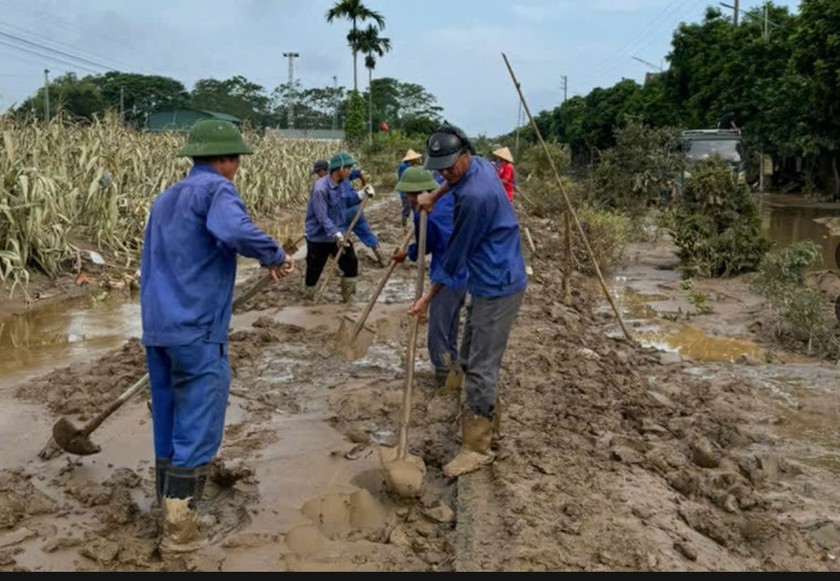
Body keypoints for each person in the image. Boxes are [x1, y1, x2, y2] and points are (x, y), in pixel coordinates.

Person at [140, 119, 294, 554]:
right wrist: (274, 254)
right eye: (236, 160)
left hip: (158, 328)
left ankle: (165, 506)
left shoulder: (166, 198)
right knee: (199, 421)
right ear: (226, 160)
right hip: (197, 328)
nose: (237, 168)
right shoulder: (216, 191)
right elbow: (234, 231)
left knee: (168, 418)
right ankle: (181, 529)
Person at [411, 124, 528, 478]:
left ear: (465, 155)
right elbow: (456, 180)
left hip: (498, 282)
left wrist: (426, 298)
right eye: (439, 167)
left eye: (449, 166)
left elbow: (454, 257)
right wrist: (437, 194)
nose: (444, 173)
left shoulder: (476, 198)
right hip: (487, 274)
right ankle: (487, 416)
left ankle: (478, 446)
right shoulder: (477, 164)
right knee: (469, 347)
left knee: (481, 365)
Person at [392, 166, 467, 389]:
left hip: (447, 276)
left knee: (438, 331)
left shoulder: (425, 214)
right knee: (450, 326)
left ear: (416, 193)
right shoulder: (451, 199)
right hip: (466, 273)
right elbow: (429, 242)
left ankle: (444, 378)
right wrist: (409, 253)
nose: (406, 198)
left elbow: (432, 244)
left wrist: (411, 253)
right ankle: (454, 368)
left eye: (408, 194)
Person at [304, 151, 370, 303]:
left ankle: (349, 296)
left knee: (351, 262)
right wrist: (336, 234)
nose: (350, 171)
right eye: (347, 168)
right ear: (338, 169)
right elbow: (322, 217)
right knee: (314, 269)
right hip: (319, 236)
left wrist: (362, 194)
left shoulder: (342, 183)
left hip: (339, 231)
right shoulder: (321, 188)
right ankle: (309, 296)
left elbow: (346, 202)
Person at [311, 160, 386, 267]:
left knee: (339, 238)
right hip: (355, 210)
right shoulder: (343, 173)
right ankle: (381, 258)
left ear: (323, 170)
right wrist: (365, 184)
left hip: (341, 214)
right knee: (366, 233)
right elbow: (360, 172)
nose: (318, 176)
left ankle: (343, 264)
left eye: (318, 173)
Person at [396, 149, 423, 227]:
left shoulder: (410, 166)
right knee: (407, 209)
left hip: (412, 191)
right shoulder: (404, 167)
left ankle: (416, 223)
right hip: (406, 192)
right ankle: (404, 224)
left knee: (415, 209)